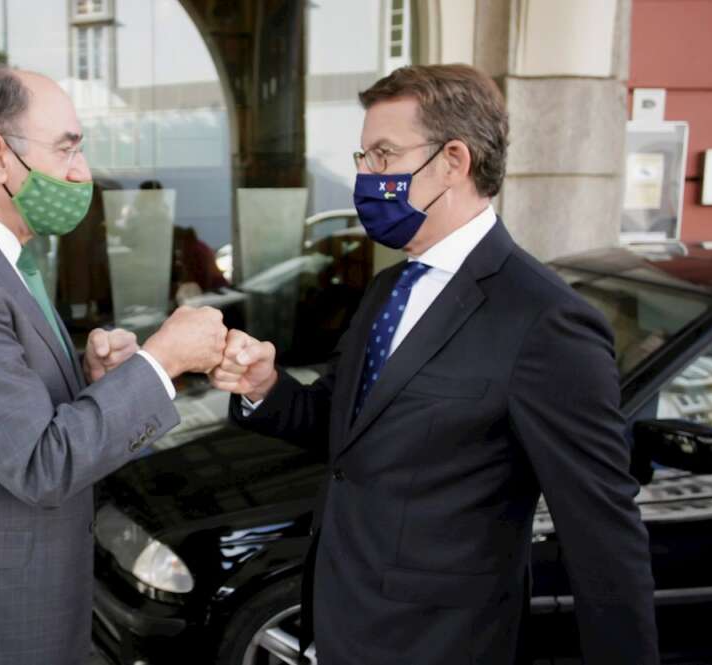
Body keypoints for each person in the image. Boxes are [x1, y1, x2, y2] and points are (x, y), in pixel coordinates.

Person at [212, 64, 658, 665]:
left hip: (440, 645)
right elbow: (344, 433)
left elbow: (602, 531)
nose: (364, 176)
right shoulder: (388, 287)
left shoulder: (545, 321)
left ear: (454, 160)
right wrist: (264, 387)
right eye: (363, 156)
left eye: (383, 155)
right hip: (342, 624)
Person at [0, 64, 227, 665]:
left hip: (7, 602)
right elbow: (38, 461)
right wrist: (162, 362)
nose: (81, 172)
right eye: (67, 148)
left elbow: (0, 411)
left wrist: (92, 381)